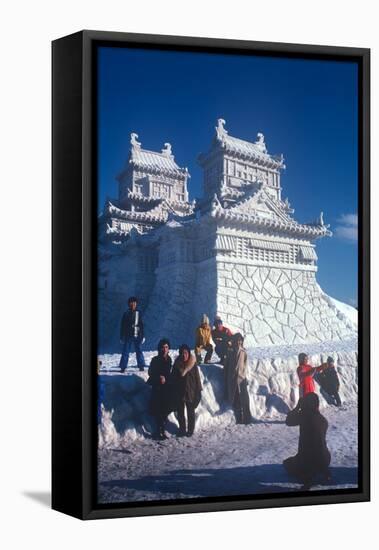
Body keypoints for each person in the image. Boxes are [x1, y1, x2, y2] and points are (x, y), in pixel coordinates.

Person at [283, 392, 331, 490]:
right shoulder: (323, 420)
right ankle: (324, 471)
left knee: (287, 463)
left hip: (308, 461)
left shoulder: (305, 418)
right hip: (325, 459)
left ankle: (308, 475)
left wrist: (297, 407)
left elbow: (288, 421)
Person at [171, 344, 203, 437]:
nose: (184, 355)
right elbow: (173, 378)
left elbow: (197, 378)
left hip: (191, 391)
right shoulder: (177, 365)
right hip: (180, 392)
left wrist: (199, 391)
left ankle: (190, 430)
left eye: (185, 353)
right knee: (180, 412)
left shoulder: (192, 364)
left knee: (190, 412)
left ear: (188, 354)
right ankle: (182, 429)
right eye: (182, 353)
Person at [147, 338, 172, 440]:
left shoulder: (169, 359)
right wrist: (159, 377)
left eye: (166, 347)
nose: (164, 349)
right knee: (159, 410)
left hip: (166, 388)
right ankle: (160, 431)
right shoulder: (155, 360)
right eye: (162, 347)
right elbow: (151, 372)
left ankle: (162, 429)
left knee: (165, 409)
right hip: (157, 387)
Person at [225, 333, 252, 424]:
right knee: (236, 400)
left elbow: (245, 365)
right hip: (232, 379)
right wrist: (226, 377)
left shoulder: (243, 352)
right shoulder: (230, 351)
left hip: (241, 379)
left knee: (245, 399)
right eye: (237, 340)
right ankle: (239, 418)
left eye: (240, 340)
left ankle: (247, 419)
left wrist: (244, 376)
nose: (238, 342)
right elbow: (226, 365)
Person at [119, 296, 146, 372]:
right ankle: (123, 367)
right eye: (131, 303)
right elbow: (123, 326)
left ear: (136, 304)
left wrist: (143, 335)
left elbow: (141, 325)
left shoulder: (139, 313)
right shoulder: (126, 313)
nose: (133, 304)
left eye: (134, 303)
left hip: (137, 335)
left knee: (139, 350)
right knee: (125, 351)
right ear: (129, 304)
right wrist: (121, 336)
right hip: (128, 335)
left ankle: (141, 366)